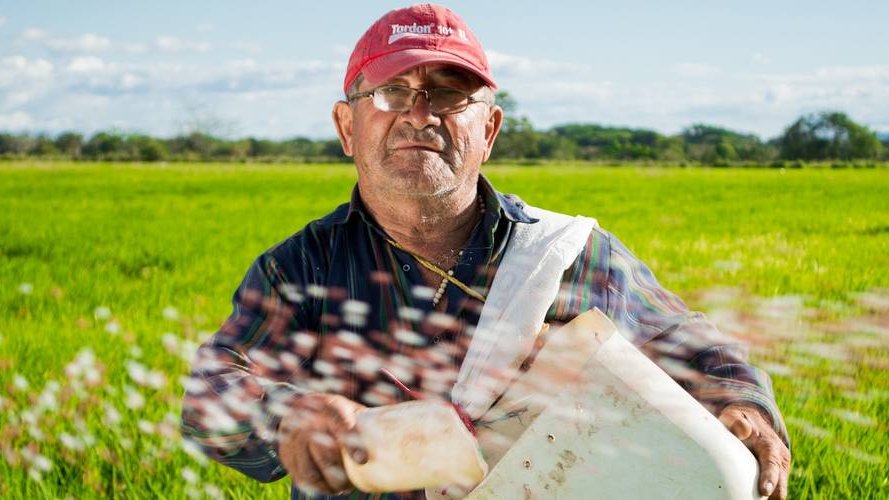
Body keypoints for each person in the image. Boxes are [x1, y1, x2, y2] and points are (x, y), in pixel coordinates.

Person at [181, 4, 791, 499]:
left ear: (489, 131)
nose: (420, 115)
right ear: (347, 127)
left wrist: (742, 404)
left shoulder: (566, 254)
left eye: (449, 96)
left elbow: (691, 345)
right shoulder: (301, 269)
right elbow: (210, 393)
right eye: (392, 92)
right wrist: (287, 417)